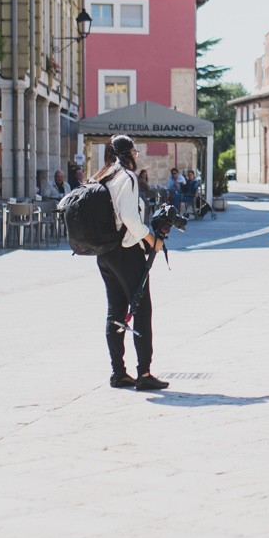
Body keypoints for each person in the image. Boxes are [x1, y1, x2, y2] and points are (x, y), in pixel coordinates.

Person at [94, 135, 169, 391]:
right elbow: (129, 217)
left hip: (104, 253)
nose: (137, 156)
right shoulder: (127, 178)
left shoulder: (102, 177)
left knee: (115, 310)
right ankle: (144, 372)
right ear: (129, 154)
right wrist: (151, 240)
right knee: (142, 309)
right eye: (135, 152)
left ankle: (118, 372)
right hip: (126, 251)